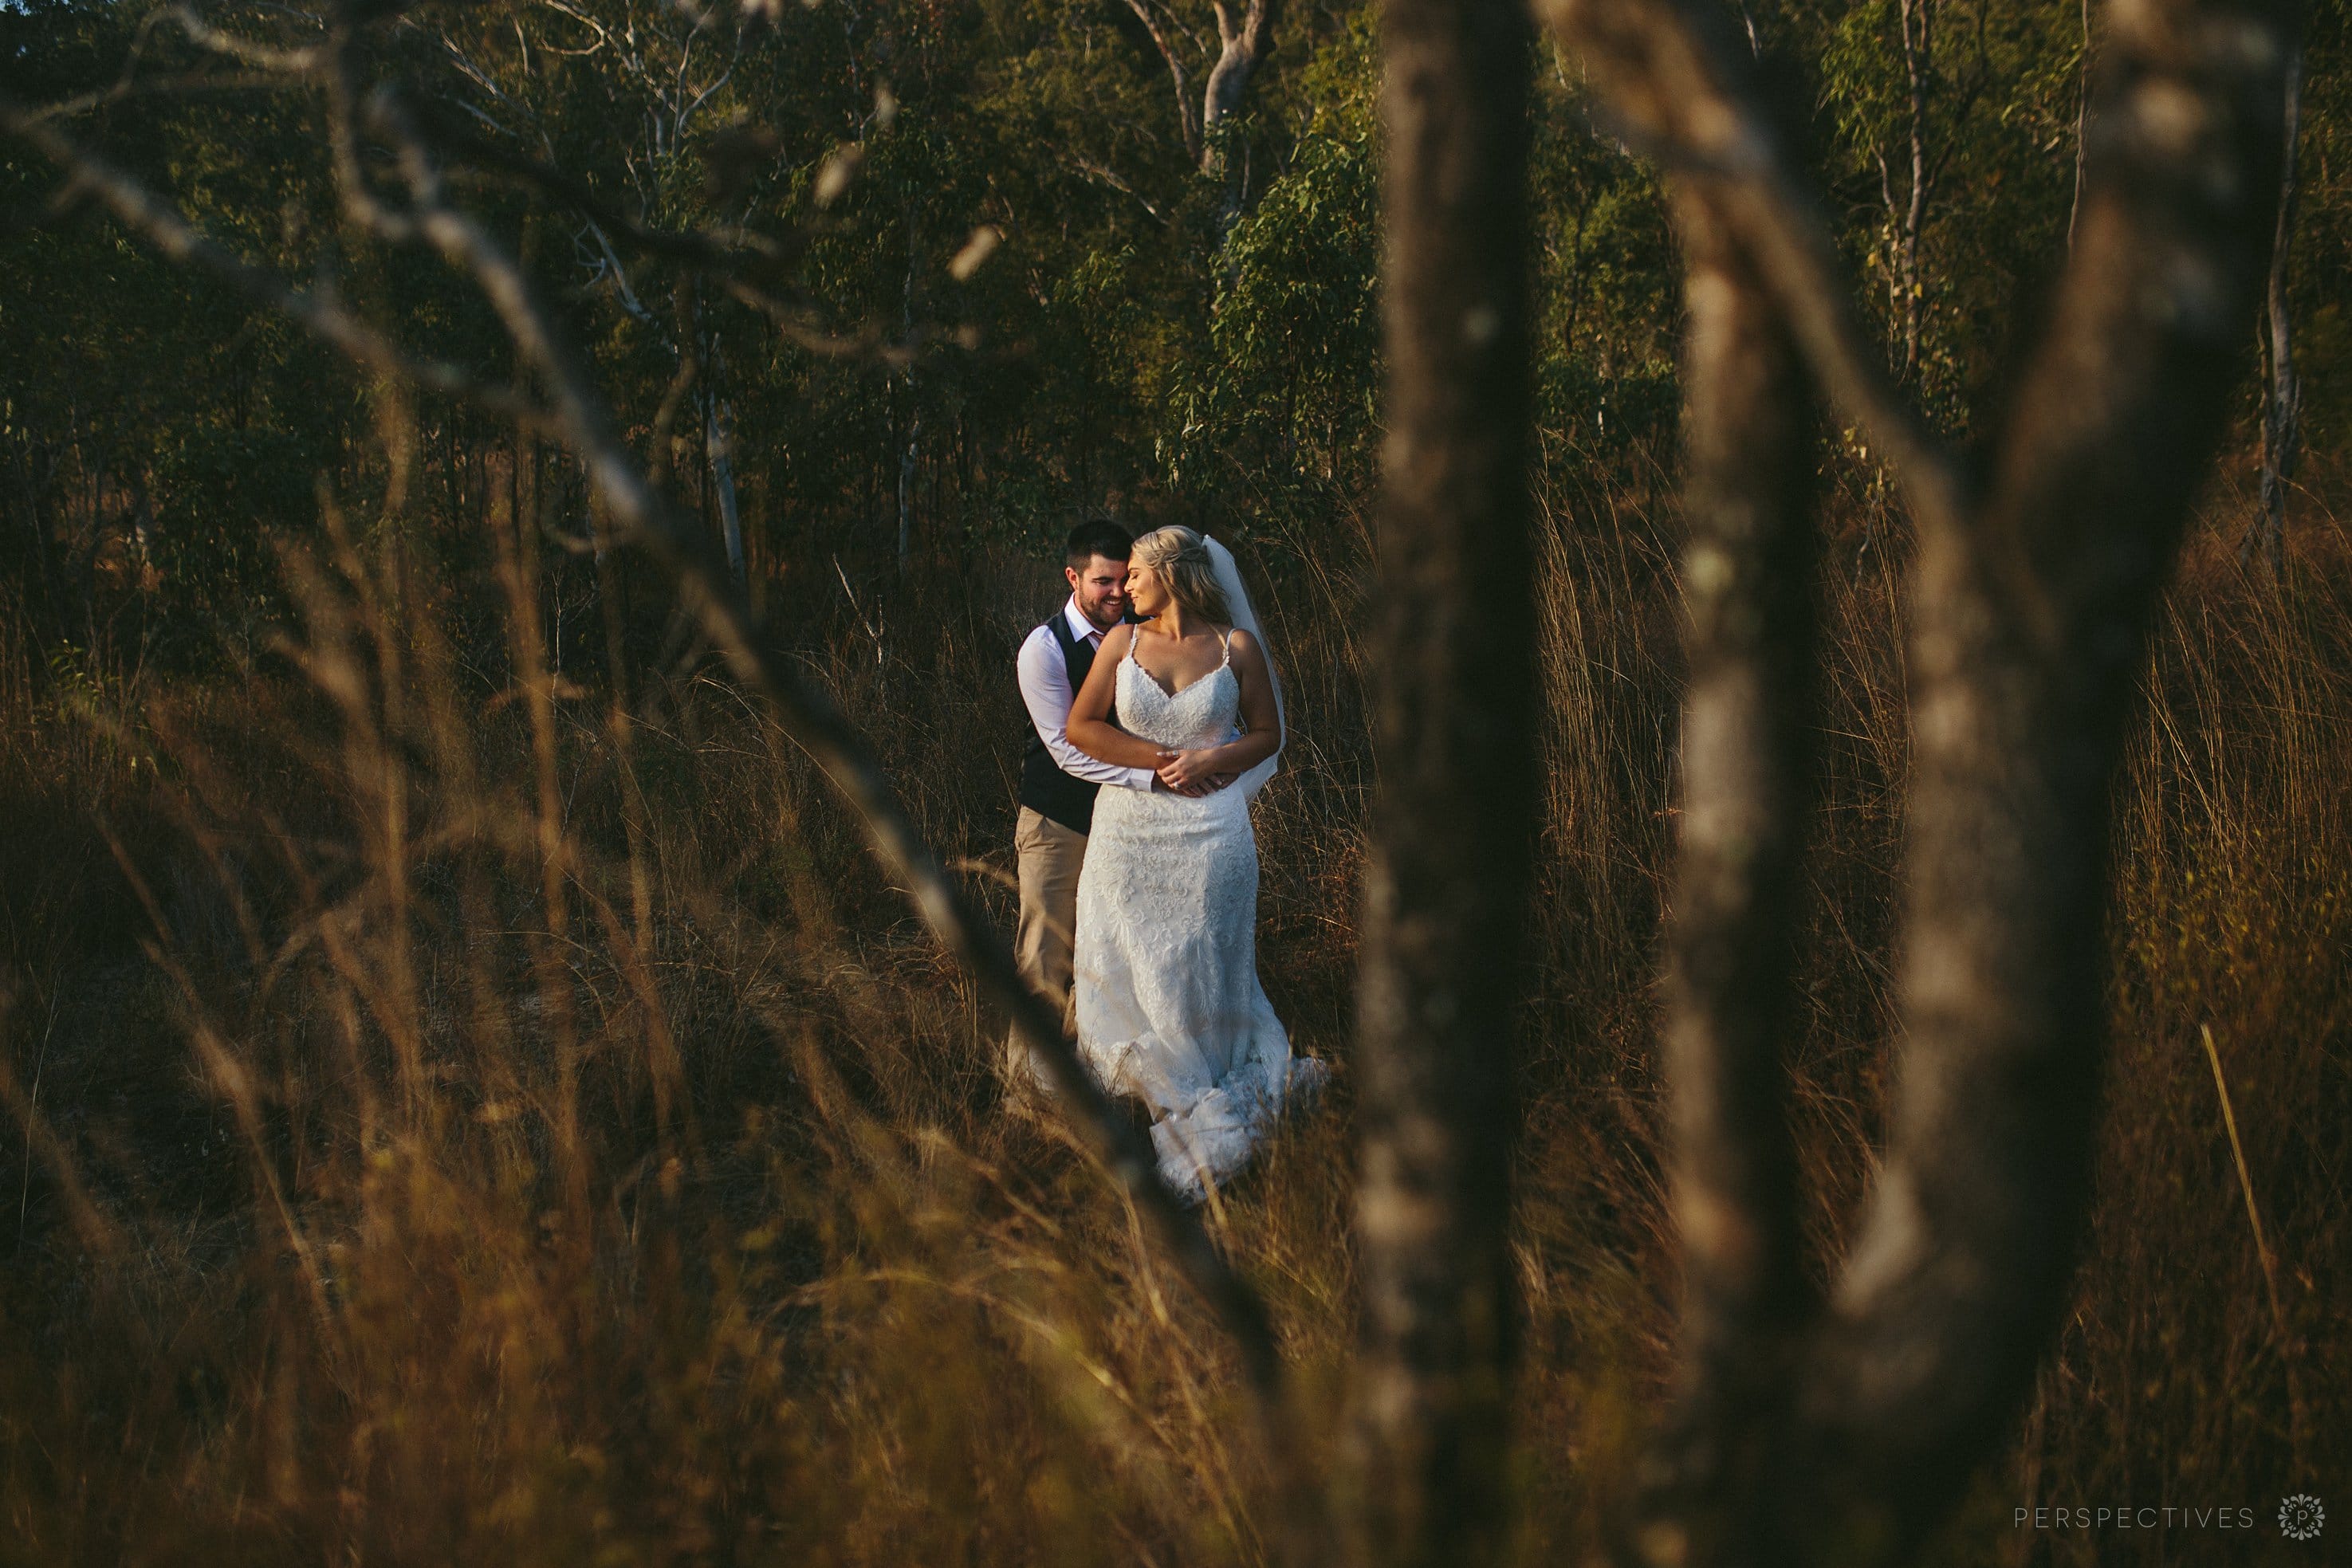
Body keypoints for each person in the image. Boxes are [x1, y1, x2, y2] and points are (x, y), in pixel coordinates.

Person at [1064, 526, 1327, 1203]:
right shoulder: (1122, 643)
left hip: (1215, 831)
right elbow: (1081, 727)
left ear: (1172, 574)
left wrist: (1213, 758)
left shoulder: (1236, 647)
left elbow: (1270, 735)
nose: (1124, 587)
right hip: (1130, 830)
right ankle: (1165, 1086)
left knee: (1203, 952)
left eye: (1137, 574)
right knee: (1139, 954)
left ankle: (1211, 1071)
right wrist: (1162, 760)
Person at [1009, 519, 1218, 1086]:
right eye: (1102, 581)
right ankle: (1025, 1092)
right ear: (1073, 577)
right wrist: (1159, 774)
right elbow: (1067, 751)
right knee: (1045, 955)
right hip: (1059, 821)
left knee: (1107, 957)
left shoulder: (1140, 633)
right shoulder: (1044, 648)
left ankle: (1083, 1083)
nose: (1116, 592)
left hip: (1130, 831)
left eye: (1124, 579)